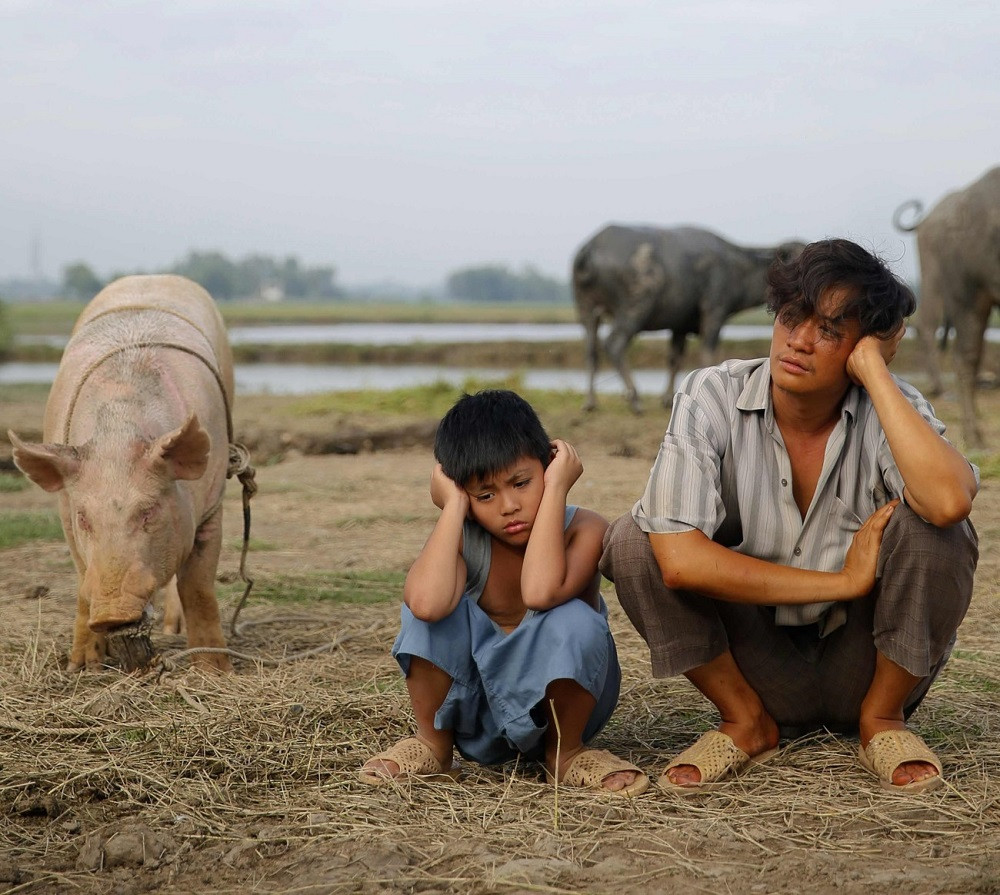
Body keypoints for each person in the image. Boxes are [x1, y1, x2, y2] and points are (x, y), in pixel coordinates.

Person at [600, 238, 978, 795]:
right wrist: (842, 581)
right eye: (791, 317)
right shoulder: (713, 394)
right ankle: (744, 720)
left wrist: (873, 372)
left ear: (864, 347)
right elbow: (677, 560)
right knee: (635, 539)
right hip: (758, 664)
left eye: (829, 330)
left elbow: (950, 502)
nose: (799, 341)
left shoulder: (890, 403)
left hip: (866, 660)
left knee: (936, 531)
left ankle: (883, 721)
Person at [360, 389, 649, 796]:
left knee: (575, 619)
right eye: (485, 495)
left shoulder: (585, 530)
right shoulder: (465, 536)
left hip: (557, 715)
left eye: (522, 483)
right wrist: (453, 510)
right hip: (477, 714)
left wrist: (557, 491)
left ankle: (566, 756)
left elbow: (539, 591)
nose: (509, 506)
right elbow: (426, 603)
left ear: (550, 467)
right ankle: (434, 745)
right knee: (426, 608)